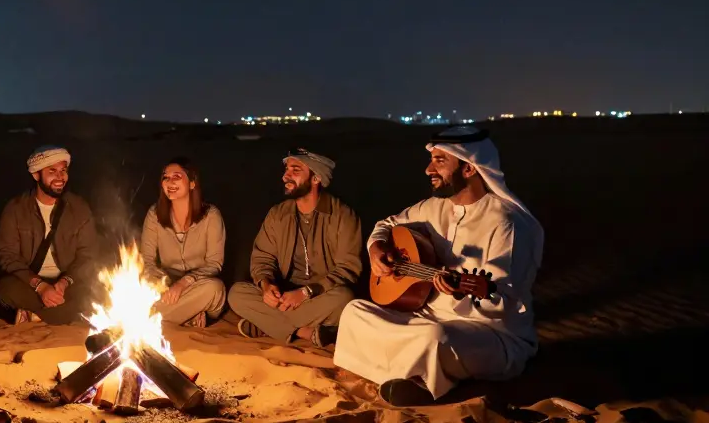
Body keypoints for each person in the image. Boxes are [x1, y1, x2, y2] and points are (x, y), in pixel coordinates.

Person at [333, 126, 545, 407]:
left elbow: (506, 302)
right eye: (431, 160)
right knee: (354, 312)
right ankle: (415, 373)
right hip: (427, 315)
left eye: (439, 161)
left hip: (491, 332)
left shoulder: (507, 223)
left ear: (469, 168)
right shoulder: (433, 207)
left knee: (435, 338)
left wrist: (465, 291)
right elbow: (387, 225)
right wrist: (376, 248)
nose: (428, 170)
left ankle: (419, 382)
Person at [227, 149, 361, 349]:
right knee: (237, 294)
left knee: (345, 299)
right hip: (284, 294)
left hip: (320, 296)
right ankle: (304, 331)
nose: (285, 176)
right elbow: (262, 258)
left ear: (316, 178)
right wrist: (266, 285)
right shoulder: (278, 214)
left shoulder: (343, 215)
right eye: (286, 170)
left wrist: (306, 292)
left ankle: (268, 325)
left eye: (295, 170)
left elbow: (348, 269)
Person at [0, 146, 100, 324]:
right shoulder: (15, 209)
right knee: (5, 288)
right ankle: (60, 314)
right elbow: (7, 255)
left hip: (66, 282)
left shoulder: (79, 208)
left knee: (96, 289)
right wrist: (40, 286)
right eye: (52, 171)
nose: (60, 177)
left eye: (63, 170)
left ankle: (34, 315)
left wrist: (64, 282)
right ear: (36, 175)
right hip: (30, 282)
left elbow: (88, 255)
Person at [140, 158, 227, 328]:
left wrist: (185, 282)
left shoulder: (211, 216)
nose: (170, 182)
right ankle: (187, 316)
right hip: (166, 288)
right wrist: (163, 285)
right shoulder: (154, 215)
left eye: (176, 177)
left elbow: (214, 264)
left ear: (192, 183)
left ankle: (148, 319)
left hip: (198, 287)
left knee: (215, 289)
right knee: (139, 284)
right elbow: (147, 260)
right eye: (166, 177)